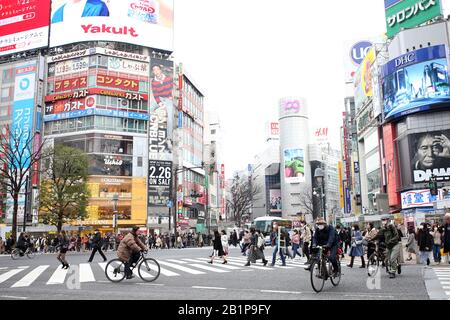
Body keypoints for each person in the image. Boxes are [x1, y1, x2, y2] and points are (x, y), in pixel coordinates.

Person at [151, 64, 174, 144]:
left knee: (170, 117)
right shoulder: (153, 82)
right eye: (154, 70)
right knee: (150, 108)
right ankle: (146, 129)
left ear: (160, 70)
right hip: (160, 98)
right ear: (153, 72)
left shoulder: (169, 79)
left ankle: (169, 138)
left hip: (168, 99)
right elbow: (155, 93)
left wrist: (171, 96)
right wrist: (159, 103)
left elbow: (174, 89)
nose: (156, 71)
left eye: (157, 69)